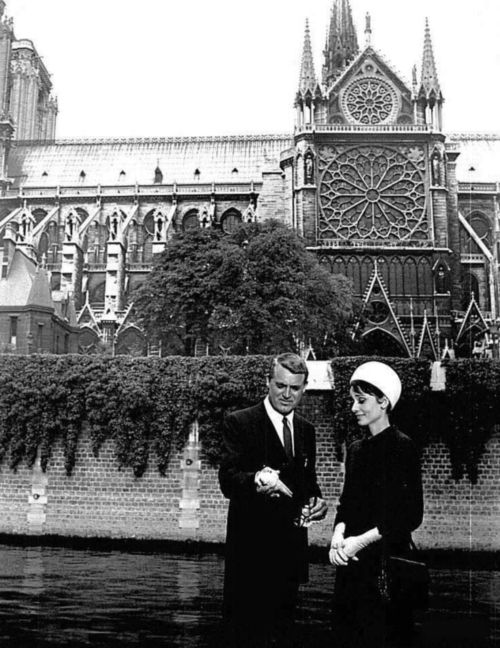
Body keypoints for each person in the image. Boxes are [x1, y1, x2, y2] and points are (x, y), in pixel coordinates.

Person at [218, 352, 328, 648]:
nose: (287, 394)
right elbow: (228, 480)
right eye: (281, 386)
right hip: (250, 559)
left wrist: (317, 501)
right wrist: (256, 480)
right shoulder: (240, 422)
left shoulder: (306, 430)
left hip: (290, 557)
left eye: (295, 388)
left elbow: (308, 483)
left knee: (284, 635)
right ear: (268, 382)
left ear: (304, 389)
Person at [329, 361, 423, 648]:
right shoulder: (356, 449)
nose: (354, 407)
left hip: (387, 564)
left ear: (383, 402)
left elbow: (411, 514)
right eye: (353, 400)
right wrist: (338, 535)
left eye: (361, 400)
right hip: (353, 564)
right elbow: (347, 504)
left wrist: (361, 541)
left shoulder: (403, 447)